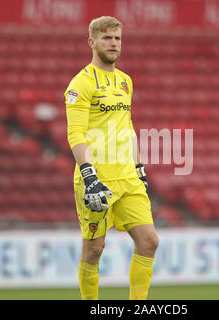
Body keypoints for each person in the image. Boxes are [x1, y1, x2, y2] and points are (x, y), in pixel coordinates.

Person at [64, 16, 159, 300]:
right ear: (91, 42)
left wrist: (139, 166)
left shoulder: (125, 82)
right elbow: (75, 132)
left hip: (127, 176)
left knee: (149, 241)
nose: (113, 43)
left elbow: (127, 126)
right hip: (97, 178)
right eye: (107, 38)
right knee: (94, 249)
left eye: (117, 38)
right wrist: (89, 175)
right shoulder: (80, 84)